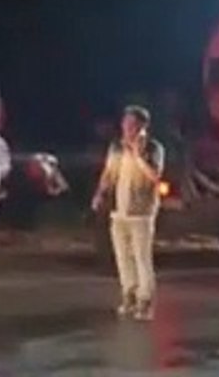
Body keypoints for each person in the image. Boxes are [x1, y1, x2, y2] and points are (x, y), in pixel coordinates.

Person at [90, 105, 165, 321]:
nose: (127, 128)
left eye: (132, 125)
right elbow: (109, 173)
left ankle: (145, 301)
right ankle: (129, 295)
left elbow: (154, 176)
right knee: (123, 257)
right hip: (118, 210)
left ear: (143, 127)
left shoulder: (153, 148)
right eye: (125, 124)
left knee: (141, 257)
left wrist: (137, 154)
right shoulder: (116, 147)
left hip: (141, 212)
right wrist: (100, 194)